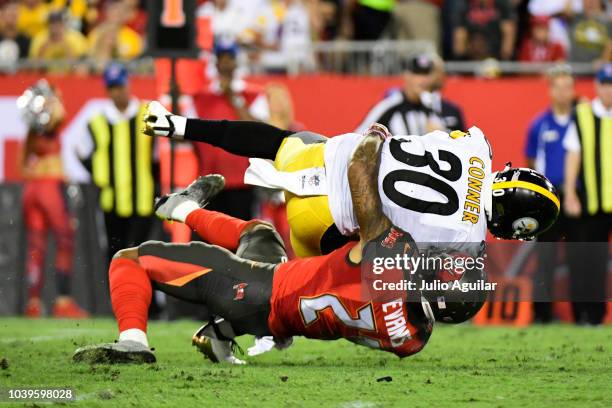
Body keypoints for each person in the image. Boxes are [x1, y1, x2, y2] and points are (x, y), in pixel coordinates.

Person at [72, 137, 486, 365]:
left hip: (253, 291)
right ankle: (183, 211)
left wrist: (372, 144)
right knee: (260, 233)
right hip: (279, 312)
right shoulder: (414, 340)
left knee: (130, 259)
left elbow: (361, 179)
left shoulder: (396, 259)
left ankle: (133, 343)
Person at [143, 102, 561, 260]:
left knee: (280, 141)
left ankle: (177, 123)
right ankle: (190, 215)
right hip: (323, 221)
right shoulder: (467, 245)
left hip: (325, 156)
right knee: (290, 281)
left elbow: (439, 146)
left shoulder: (476, 147)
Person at [17, 80, 88, 318]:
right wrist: (52, 98)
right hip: (50, 187)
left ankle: (34, 303)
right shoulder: (53, 121)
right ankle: (63, 301)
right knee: (65, 241)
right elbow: (59, 114)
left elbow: (23, 165)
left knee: (36, 246)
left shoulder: (31, 132)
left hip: (32, 188)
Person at [76, 63, 158, 265]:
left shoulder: (147, 115)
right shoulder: (97, 122)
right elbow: (79, 151)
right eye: (112, 87)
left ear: (128, 84)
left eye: (120, 86)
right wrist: (100, 178)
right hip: (110, 201)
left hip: (143, 199)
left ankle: (147, 296)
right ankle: (117, 296)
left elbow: (159, 156)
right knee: (115, 254)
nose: (117, 92)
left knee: (143, 254)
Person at [190, 42, 269, 221]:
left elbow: (260, 131)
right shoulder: (201, 97)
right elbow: (189, 135)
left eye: (229, 59)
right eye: (222, 60)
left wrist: (233, 98)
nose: (226, 64)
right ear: (216, 64)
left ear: (236, 63)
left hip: (244, 181)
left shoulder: (252, 94)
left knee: (243, 236)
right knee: (212, 237)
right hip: (211, 183)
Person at [524, 65, 576, 323]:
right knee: (545, 258)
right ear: (550, 90)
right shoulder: (539, 125)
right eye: (559, 87)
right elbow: (531, 160)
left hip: (578, 197)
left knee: (580, 256)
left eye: (568, 87)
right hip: (550, 200)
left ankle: (584, 316)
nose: (564, 92)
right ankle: (541, 315)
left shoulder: (582, 121)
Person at [562, 63, 612, 325]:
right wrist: (570, 192)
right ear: (597, 86)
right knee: (588, 259)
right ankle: (587, 314)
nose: (609, 91)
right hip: (593, 202)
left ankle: (597, 314)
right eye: (606, 84)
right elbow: (573, 154)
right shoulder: (582, 114)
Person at [356, 53, 446, 136]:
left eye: (426, 74)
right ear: (406, 75)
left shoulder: (431, 106)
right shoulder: (390, 106)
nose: (423, 80)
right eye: (417, 74)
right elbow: (359, 136)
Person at [567, 0, 612, 64]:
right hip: (575, 67)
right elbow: (566, 10)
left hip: (596, 70)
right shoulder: (575, 17)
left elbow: (610, 44)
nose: (591, 2)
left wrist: (603, 60)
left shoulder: (607, 21)